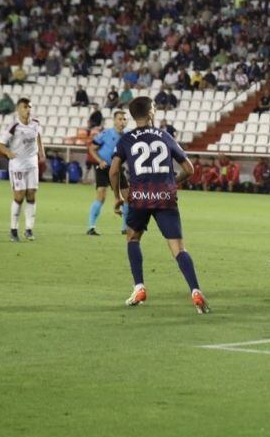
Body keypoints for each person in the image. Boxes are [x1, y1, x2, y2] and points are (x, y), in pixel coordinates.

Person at [110, 96, 209, 314]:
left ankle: (139, 288)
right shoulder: (165, 136)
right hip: (165, 195)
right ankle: (195, 291)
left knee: (132, 237)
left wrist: (117, 196)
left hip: (139, 196)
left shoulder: (126, 139)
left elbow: (114, 170)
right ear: (151, 113)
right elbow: (190, 169)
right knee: (178, 248)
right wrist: (173, 182)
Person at [0, 98, 44, 242]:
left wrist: (41, 151)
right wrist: (8, 153)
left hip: (32, 164)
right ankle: (13, 230)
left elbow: (38, 136)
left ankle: (29, 229)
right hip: (18, 165)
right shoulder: (14, 126)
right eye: (25, 107)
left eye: (29, 106)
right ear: (18, 109)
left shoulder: (36, 122)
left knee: (31, 195)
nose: (28, 109)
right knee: (19, 196)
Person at [86, 110, 129, 236]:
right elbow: (92, 148)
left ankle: (125, 228)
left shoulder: (128, 136)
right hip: (103, 167)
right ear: (115, 120)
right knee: (101, 195)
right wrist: (100, 161)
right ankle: (91, 227)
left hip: (118, 169)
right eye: (120, 119)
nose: (122, 122)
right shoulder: (105, 134)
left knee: (127, 197)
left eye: (124, 119)